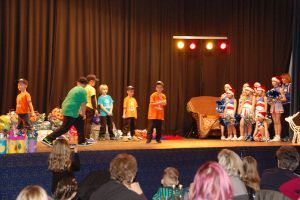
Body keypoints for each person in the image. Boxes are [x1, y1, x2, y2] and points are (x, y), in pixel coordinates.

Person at [42, 77, 91, 146]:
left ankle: (82, 141)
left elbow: (74, 101)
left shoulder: (74, 89)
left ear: (77, 82)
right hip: (71, 110)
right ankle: (48, 139)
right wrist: (83, 114)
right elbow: (83, 104)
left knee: (80, 122)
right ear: (86, 85)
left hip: (67, 108)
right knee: (65, 128)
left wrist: (81, 114)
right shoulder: (83, 91)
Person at [269, 76, 286, 142]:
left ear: (277, 82)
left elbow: (284, 99)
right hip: (273, 106)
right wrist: (270, 100)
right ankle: (276, 135)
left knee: (278, 121)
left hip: (278, 106)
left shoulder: (281, 89)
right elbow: (270, 100)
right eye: (272, 81)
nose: (273, 82)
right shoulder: (271, 90)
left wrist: (278, 98)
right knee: (274, 122)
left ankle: (278, 135)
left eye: (274, 81)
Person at [84, 74, 99, 143]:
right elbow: (93, 98)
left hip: (84, 106)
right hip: (90, 107)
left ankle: (83, 137)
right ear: (91, 81)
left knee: (85, 122)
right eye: (94, 81)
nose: (95, 83)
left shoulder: (84, 87)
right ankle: (87, 137)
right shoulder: (92, 88)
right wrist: (95, 109)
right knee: (88, 123)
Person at [281, 73, 292, 141]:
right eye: (282, 79)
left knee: (288, 120)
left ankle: (289, 136)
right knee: (283, 121)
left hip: (288, 104)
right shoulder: (283, 86)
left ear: (287, 78)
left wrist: (283, 94)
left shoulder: (290, 86)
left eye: (284, 78)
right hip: (283, 105)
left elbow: (291, 96)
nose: (282, 80)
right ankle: (285, 136)